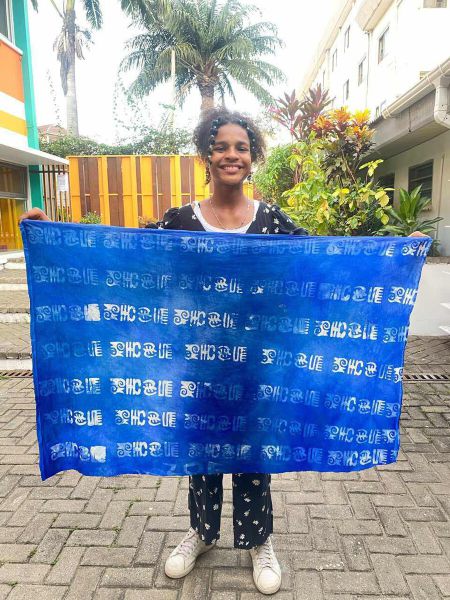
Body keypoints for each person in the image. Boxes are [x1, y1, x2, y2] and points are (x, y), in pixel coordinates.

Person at [19, 107, 428, 597]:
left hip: (258, 368)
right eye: (221, 147)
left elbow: (323, 264)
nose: (231, 155)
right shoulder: (181, 222)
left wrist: (398, 253)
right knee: (202, 454)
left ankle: (259, 541)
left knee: (254, 454)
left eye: (241, 147)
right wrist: (53, 235)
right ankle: (202, 533)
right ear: (206, 156)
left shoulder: (271, 222)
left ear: (253, 157)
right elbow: (128, 258)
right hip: (197, 367)